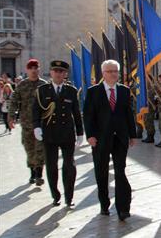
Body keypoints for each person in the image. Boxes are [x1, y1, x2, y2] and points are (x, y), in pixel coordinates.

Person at [83, 59, 136, 221]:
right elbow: (88, 115)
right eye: (109, 71)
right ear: (103, 73)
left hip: (120, 137)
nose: (113, 74)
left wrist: (132, 135)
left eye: (115, 71)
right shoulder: (93, 92)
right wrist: (90, 135)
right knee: (101, 172)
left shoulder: (125, 91)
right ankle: (104, 204)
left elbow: (129, 114)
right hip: (100, 139)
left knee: (120, 171)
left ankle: (123, 209)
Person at [33, 60, 83, 208]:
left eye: (61, 71)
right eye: (55, 71)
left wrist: (80, 132)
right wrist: (37, 127)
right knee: (51, 166)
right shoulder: (42, 90)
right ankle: (55, 195)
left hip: (67, 133)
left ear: (65, 74)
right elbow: (36, 111)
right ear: (51, 72)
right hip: (49, 133)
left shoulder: (71, 91)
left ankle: (69, 197)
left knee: (69, 165)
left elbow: (76, 113)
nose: (58, 74)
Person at [8, 59, 47, 185]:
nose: (34, 70)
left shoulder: (44, 85)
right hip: (26, 123)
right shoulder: (22, 85)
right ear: (27, 70)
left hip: (41, 124)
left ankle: (39, 174)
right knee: (29, 148)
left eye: (36, 68)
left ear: (39, 69)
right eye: (31, 68)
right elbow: (14, 101)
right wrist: (11, 116)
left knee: (40, 149)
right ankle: (32, 172)